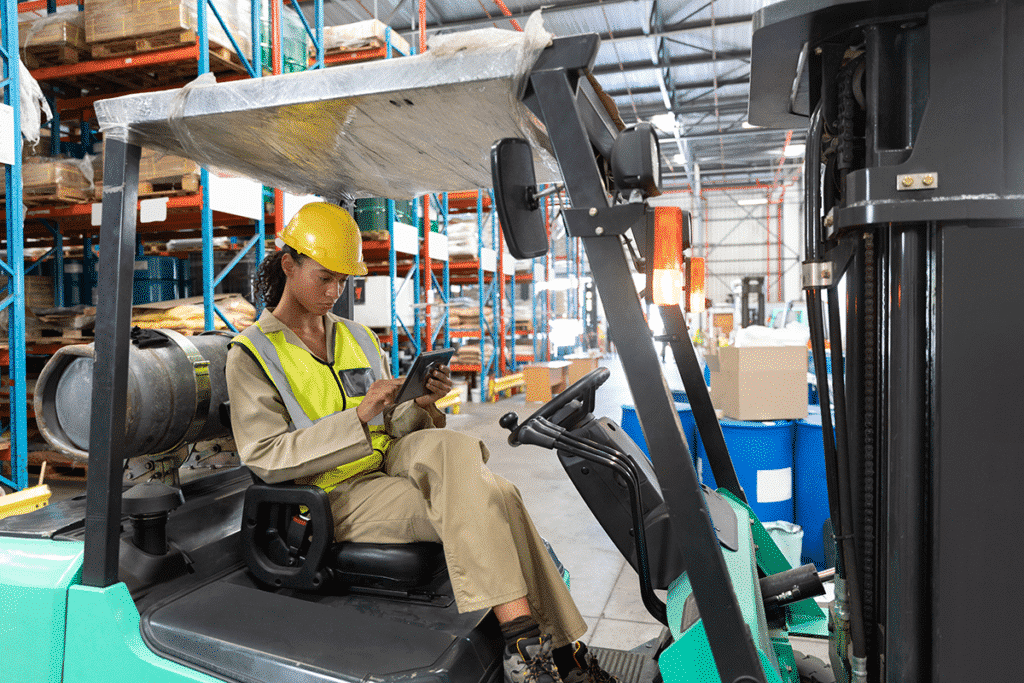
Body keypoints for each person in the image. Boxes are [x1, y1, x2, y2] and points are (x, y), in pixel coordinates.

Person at [226, 202, 618, 683]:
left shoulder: (357, 337)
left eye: (343, 281)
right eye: (324, 278)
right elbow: (266, 456)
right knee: (497, 495)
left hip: (389, 461)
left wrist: (423, 404)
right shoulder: (253, 354)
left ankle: (530, 652)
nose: (334, 293)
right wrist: (360, 415)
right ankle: (559, 653)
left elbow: (394, 424)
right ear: (288, 265)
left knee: (454, 449)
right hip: (329, 495)